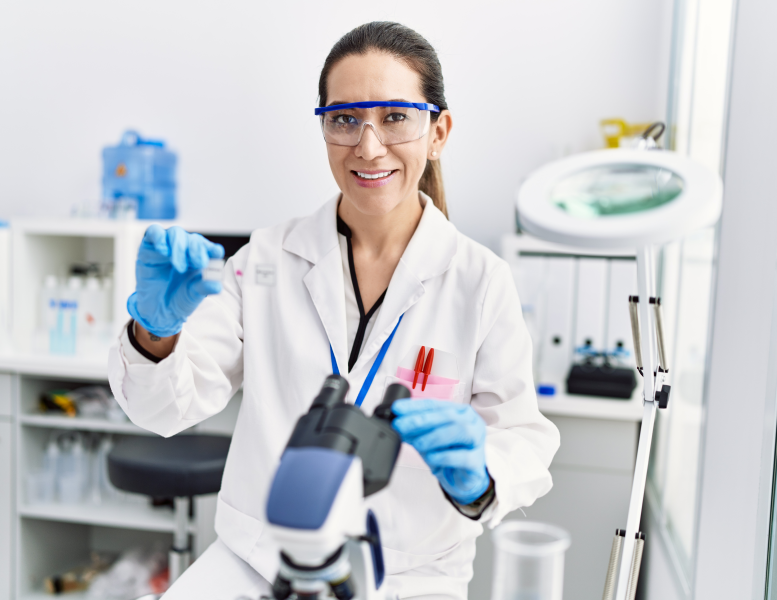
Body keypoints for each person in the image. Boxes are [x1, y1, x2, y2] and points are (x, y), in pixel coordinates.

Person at [108, 21, 559, 600]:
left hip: (408, 578)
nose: (368, 146)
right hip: (258, 562)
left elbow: (522, 436)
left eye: (395, 116)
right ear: (324, 128)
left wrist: (482, 472)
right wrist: (155, 332)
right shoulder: (267, 258)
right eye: (345, 119)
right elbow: (165, 408)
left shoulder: (479, 281)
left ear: (438, 130)